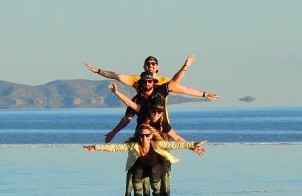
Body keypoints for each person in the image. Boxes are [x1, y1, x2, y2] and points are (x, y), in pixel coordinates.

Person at [85, 54, 219, 142]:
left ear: (157, 67)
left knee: (168, 146)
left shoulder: (163, 84)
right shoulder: (137, 79)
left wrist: (204, 94)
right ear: (144, 67)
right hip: (142, 114)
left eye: (153, 63)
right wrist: (98, 71)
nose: (151, 65)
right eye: (148, 63)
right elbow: (117, 76)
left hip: (160, 118)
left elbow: (184, 90)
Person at [83, 124, 205, 196]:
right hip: (140, 168)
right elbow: (114, 147)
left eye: (147, 135)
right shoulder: (133, 145)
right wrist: (95, 147)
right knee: (137, 182)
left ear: (151, 136)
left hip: (156, 167)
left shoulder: (157, 144)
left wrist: (193, 144)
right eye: (141, 135)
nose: (144, 138)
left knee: (155, 184)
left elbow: (175, 144)